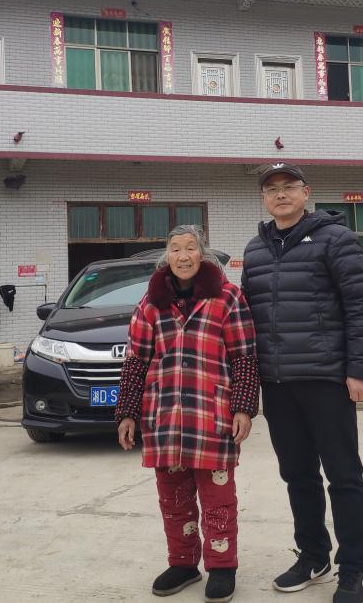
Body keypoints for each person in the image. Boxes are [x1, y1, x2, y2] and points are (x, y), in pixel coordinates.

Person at [241, 163, 363, 603]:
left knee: (344, 475)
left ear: (306, 193)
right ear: (264, 199)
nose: (280, 195)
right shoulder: (255, 250)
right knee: (297, 475)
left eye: (289, 187)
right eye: (272, 189)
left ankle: (353, 568)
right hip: (277, 383)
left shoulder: (336, 239)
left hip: (326, 378)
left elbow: (360, 307)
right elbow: (245, 321)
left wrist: (359, 370)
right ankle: (314, 556)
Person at [116, 225, 261, 603]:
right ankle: (182, 563)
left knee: (218, 499)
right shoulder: (151, 303)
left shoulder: (227, 298)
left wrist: (244, 407)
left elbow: (244, 357)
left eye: (191, 248)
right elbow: (135, 361)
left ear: (203, 254)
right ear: (167, 257)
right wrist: (127, 412)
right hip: (164, 417)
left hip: (212, 415)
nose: (183, 256)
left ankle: (222, 566)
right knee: (174, 499)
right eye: (175, 248)